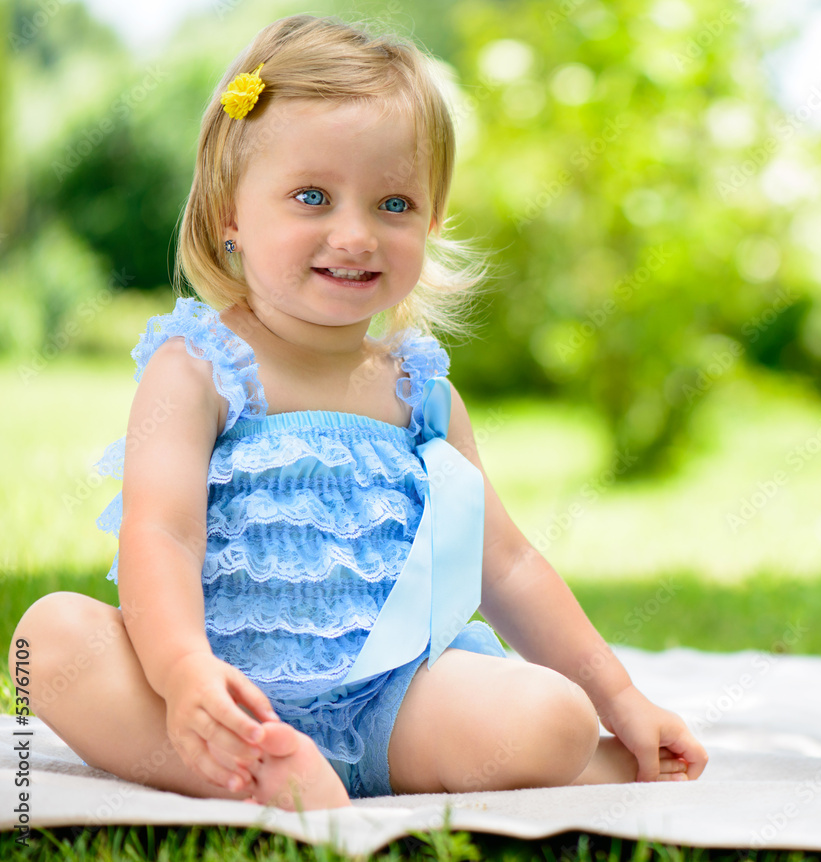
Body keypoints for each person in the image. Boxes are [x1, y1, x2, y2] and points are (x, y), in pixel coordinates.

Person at [9, 14, 707, 811]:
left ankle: (489, 759)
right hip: (216, 690)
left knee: (555, 716)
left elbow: (506, 565)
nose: (355, 235)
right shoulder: (198, 366)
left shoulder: (421, 393)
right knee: (48, 639)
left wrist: (621, 698)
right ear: (230, 212)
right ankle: (253, 764)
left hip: (395, 706)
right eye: (312, 197)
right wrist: (182, 671)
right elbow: (160, 533)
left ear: (432, 221)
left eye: (394, 203)